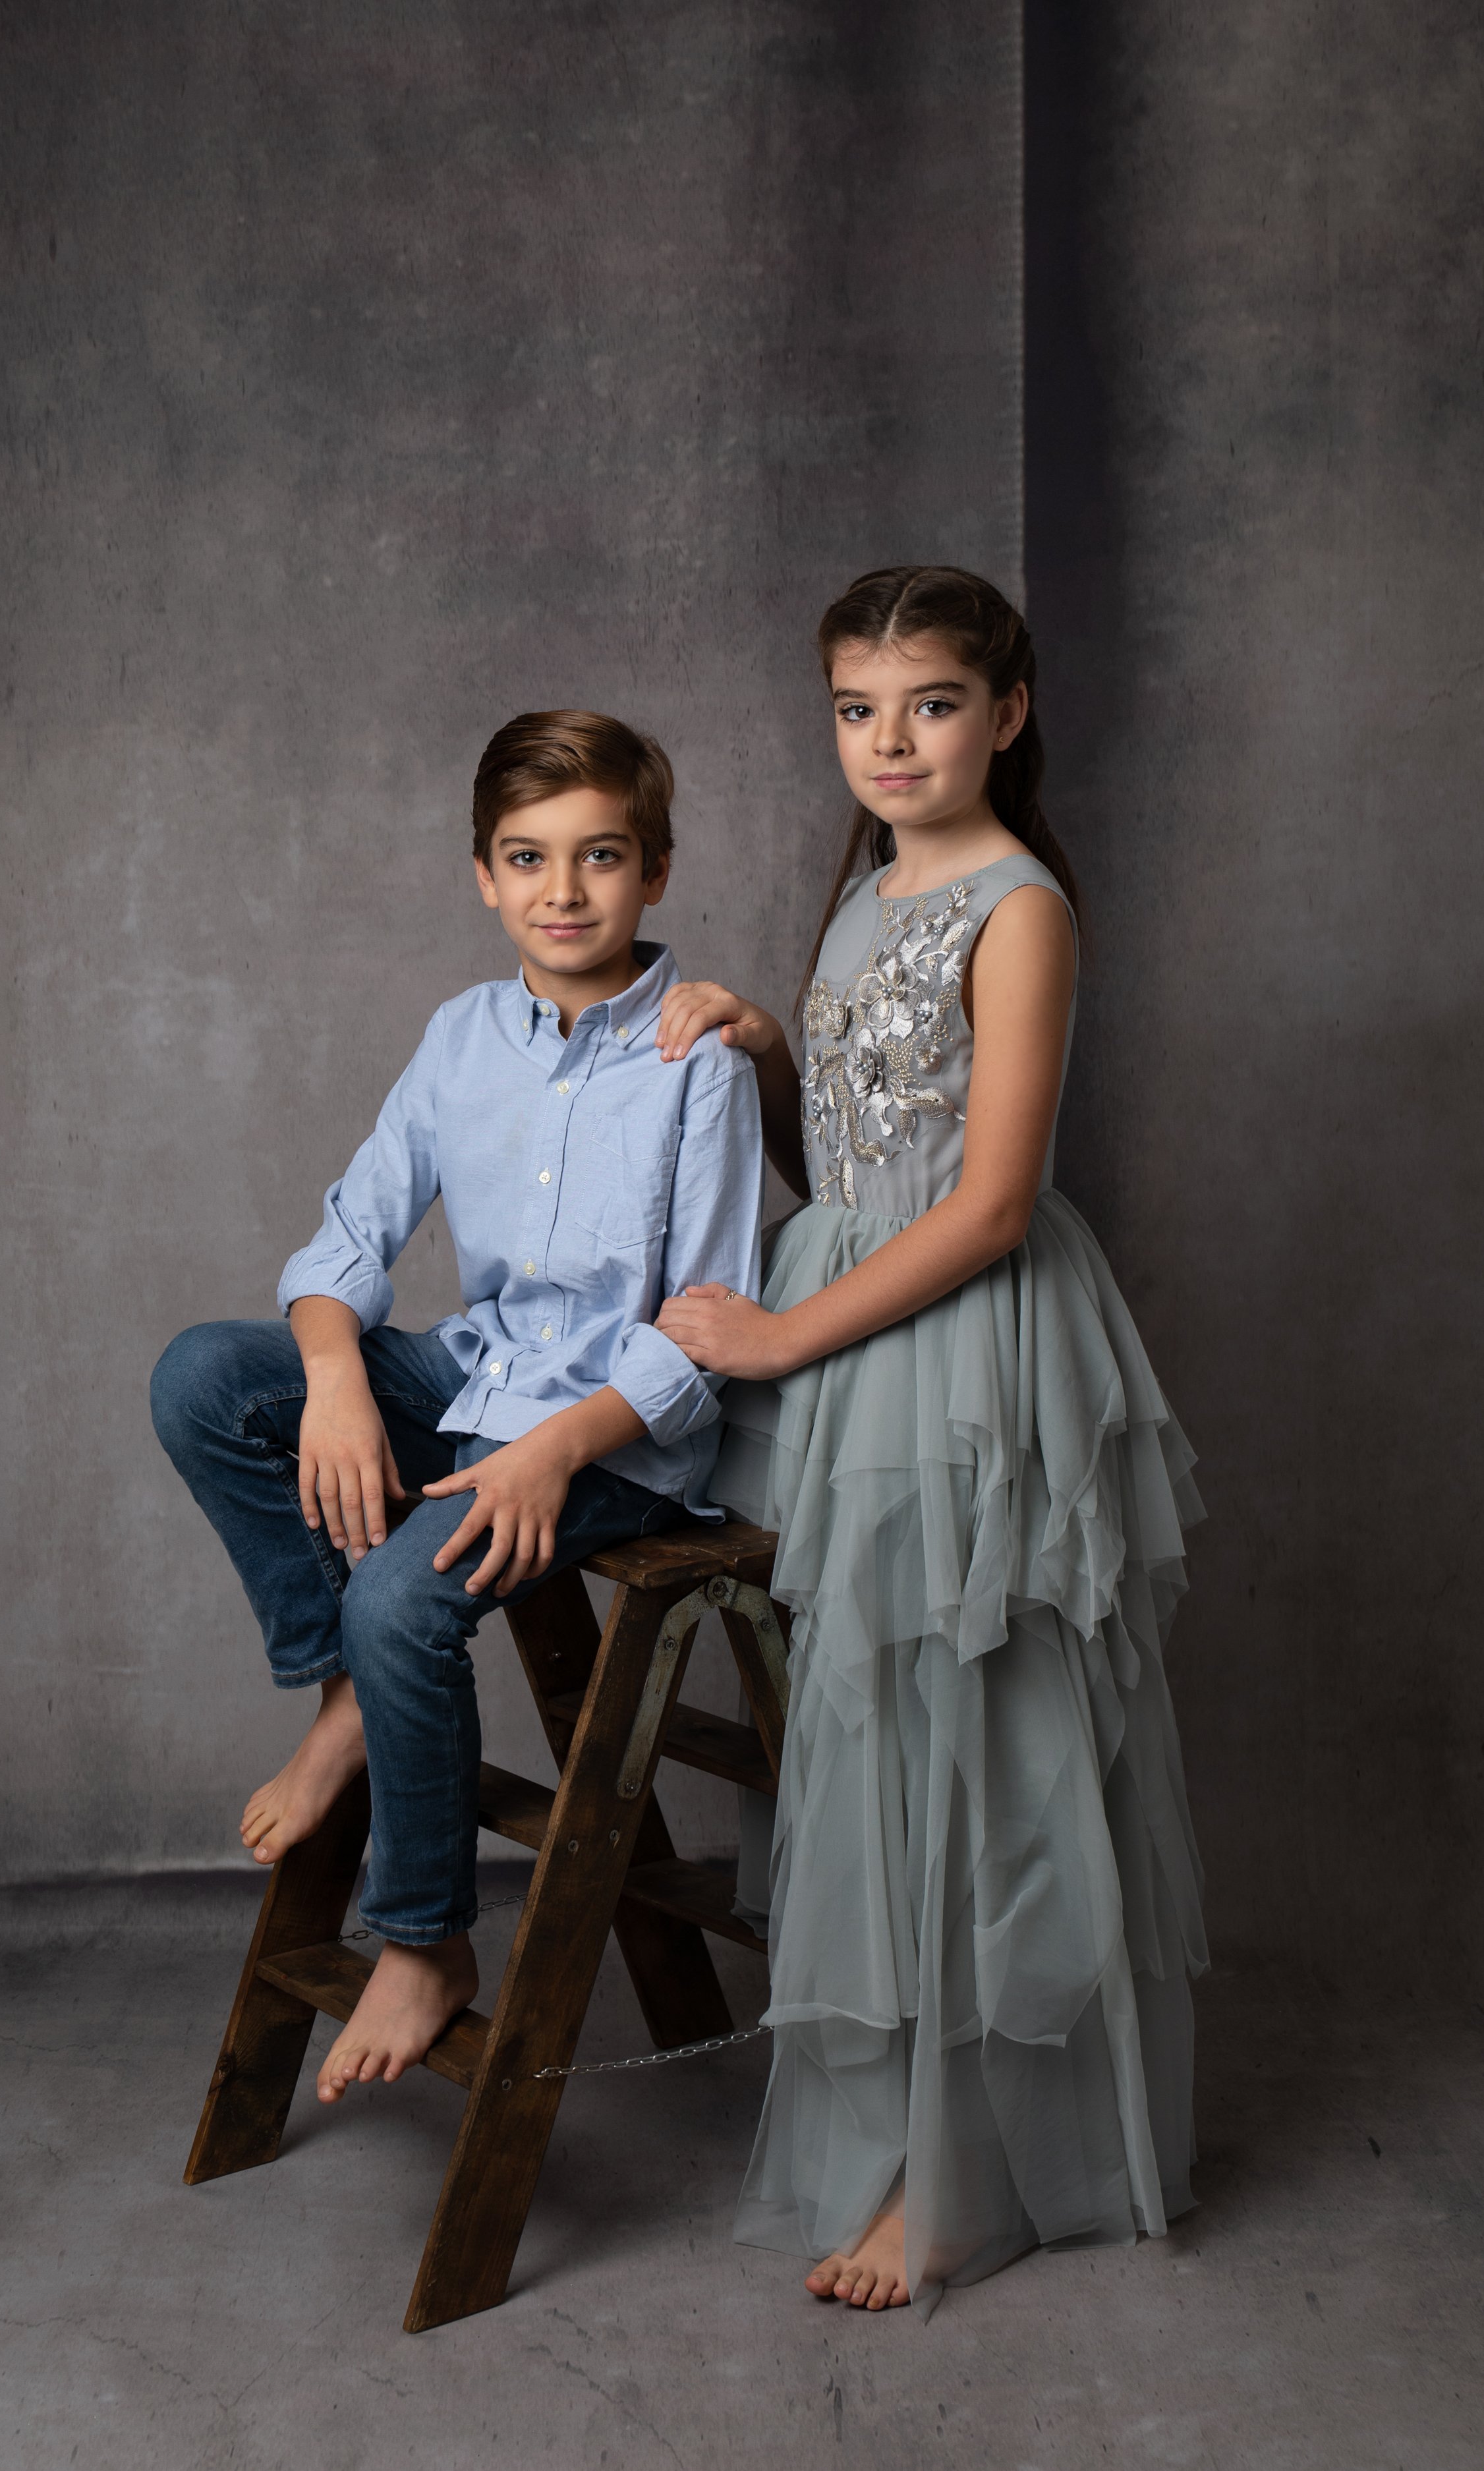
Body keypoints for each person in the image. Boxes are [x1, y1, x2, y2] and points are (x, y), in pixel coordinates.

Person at [654, 567, 1207, 2316]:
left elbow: (984, 1207)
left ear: (1008, 711)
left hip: (965, 1350)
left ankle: (969, 2170)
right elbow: (860, 1167)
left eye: (931, 704)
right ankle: (904, 2133)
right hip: (863, 1341)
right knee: (872, 1734)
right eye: (853, 708)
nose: (888, 742)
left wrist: (771, 1334)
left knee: (983, 1736)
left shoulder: (1018, 905)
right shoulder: (865, 887)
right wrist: (760, 1050)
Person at [152, 710, 763, 2104]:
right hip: (475, 1369)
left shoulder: (698, 1063)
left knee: (400, 1596)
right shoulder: (461, 1037)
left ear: (652, 870)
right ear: (482, 876)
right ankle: (349, 1693)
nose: (563, 891)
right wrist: (332, 1383)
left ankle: (425, 1941)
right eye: (527, 858)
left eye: (599, 856)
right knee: (204, 1372)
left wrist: (554, 1450)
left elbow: (704, 1338)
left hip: (618, 1430)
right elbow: (346, 1238)